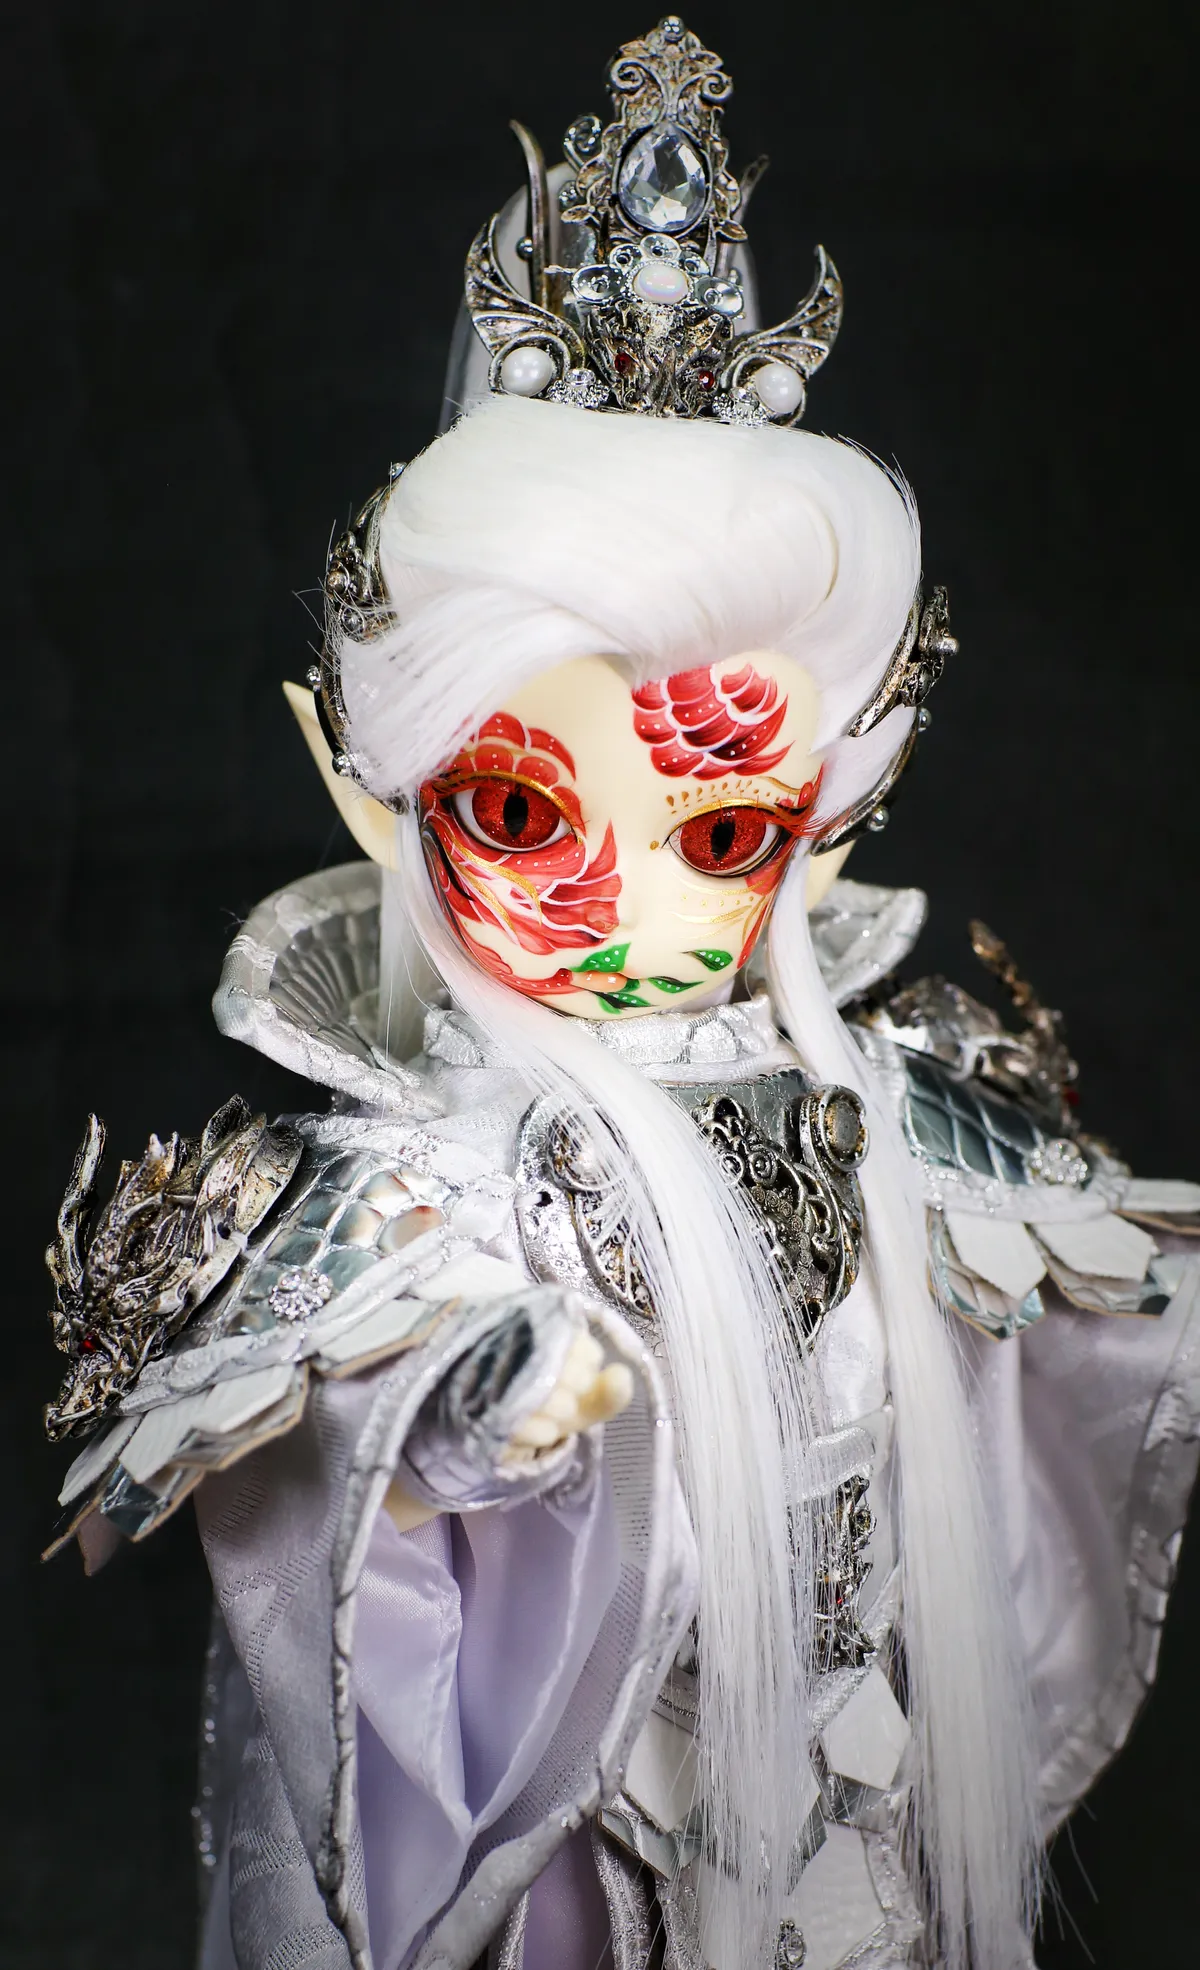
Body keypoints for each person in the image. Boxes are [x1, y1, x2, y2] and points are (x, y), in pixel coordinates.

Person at [43, 18, 1200, 1970]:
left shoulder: (891, 1098)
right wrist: (476, 1429)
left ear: (826, 823)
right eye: (524, 810)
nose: (634, 905)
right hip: (575, 1835)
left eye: (724, 829)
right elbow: (332, 1504)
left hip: (847, 1801)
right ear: (376, 789)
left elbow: (1089, 1323)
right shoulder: (407, 1185)